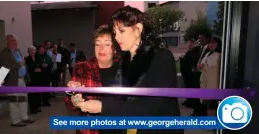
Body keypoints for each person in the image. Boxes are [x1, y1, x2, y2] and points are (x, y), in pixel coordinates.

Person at [73, 6, 184, 134]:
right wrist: (84, 100)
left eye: (122, 31)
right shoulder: (123, 61)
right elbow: (117, 99)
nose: (117, 37)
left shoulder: (161, 57)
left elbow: (149, 106)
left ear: (138, 29)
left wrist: (103, 106)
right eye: (115, 32)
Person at [65, 24, 120, 134]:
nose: (100, 48)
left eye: (106, 44)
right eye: (97, 44)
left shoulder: (125, 67)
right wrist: (75, 98)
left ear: (115, 48)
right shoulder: (82, 67)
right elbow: (69, 100)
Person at [0, 35, 34, 127]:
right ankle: (16, 120)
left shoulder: (17, 51)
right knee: (14, 101)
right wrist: (19, 64)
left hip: (22, 79)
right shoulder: (3, 53)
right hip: (12, 80)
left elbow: (23, 63)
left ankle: (24, 117)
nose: (15, 43)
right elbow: (5, 65)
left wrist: (24, 67)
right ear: (7, 42)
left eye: (15, 41)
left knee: (23, 98)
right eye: (12, 41)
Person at [199, 37, 222, 111]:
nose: (211, 44)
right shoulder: (207, 53)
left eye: (214, 43)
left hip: (214, 85)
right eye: (210, 43)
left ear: (218, 44)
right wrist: (201, 66)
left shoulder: (220, 55)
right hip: (205, 83)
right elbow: (201, 66)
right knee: (207, 106)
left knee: (212, 107)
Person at [25, 45, 42, 114]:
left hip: (38, 78)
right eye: (31, 50)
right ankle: (32, 108)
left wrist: (40, 68)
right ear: (28, 51)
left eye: (33, 50)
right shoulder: (27, 59)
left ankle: (37, 107)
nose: (32, 52)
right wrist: (34, 69)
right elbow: (28, 68)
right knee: (32, 94)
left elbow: (40, 65)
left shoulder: (37, 58)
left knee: (38, 93)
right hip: (31, 79)